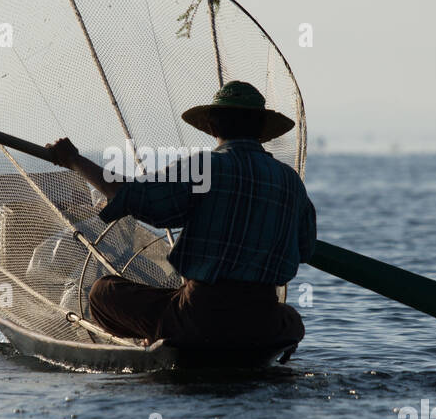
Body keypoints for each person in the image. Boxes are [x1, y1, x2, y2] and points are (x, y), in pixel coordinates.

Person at [45, 80, 316, 348]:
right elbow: (305, 249)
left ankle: (155, 336)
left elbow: (127, 193)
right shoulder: (291, 182)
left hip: (200, 317)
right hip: (263, 321)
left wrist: (74, 160)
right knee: (291, 319)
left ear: (211, 126)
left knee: (102, 293)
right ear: (261, 130)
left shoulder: (205, 168)